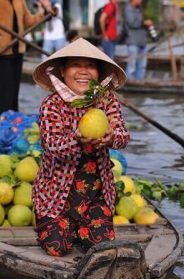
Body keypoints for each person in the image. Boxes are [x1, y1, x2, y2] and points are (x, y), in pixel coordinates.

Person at [31, 38, 130, 257]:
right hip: (56, 197)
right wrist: (78, 136)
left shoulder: (107, 101)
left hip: (95, 197)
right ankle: (56, 224)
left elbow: (123, 136)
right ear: (64, 71)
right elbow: (52, 146)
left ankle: (81, 227)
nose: (83, 72)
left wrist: (113, 136)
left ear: (99, 73)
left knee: (102, 247)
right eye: (76, 65)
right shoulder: (52, 105)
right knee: (57, 248)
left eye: (90, 66)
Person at [0, 0, 53, 116]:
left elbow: (29, 21)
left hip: (17, 51)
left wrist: (43, 15)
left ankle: (13, 125)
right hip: (0, 51)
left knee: (14, 96)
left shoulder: (20, 1)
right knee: (5, 96)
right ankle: (1, 125)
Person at [124, 0, 154, 80]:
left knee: (142, 65)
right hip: (133, 42)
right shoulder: (128, 9)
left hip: (142, 42)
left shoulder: (138, 9)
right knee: (132, 65)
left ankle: (139, 81)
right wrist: (144, 22)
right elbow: (132, 23)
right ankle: (130, 82)